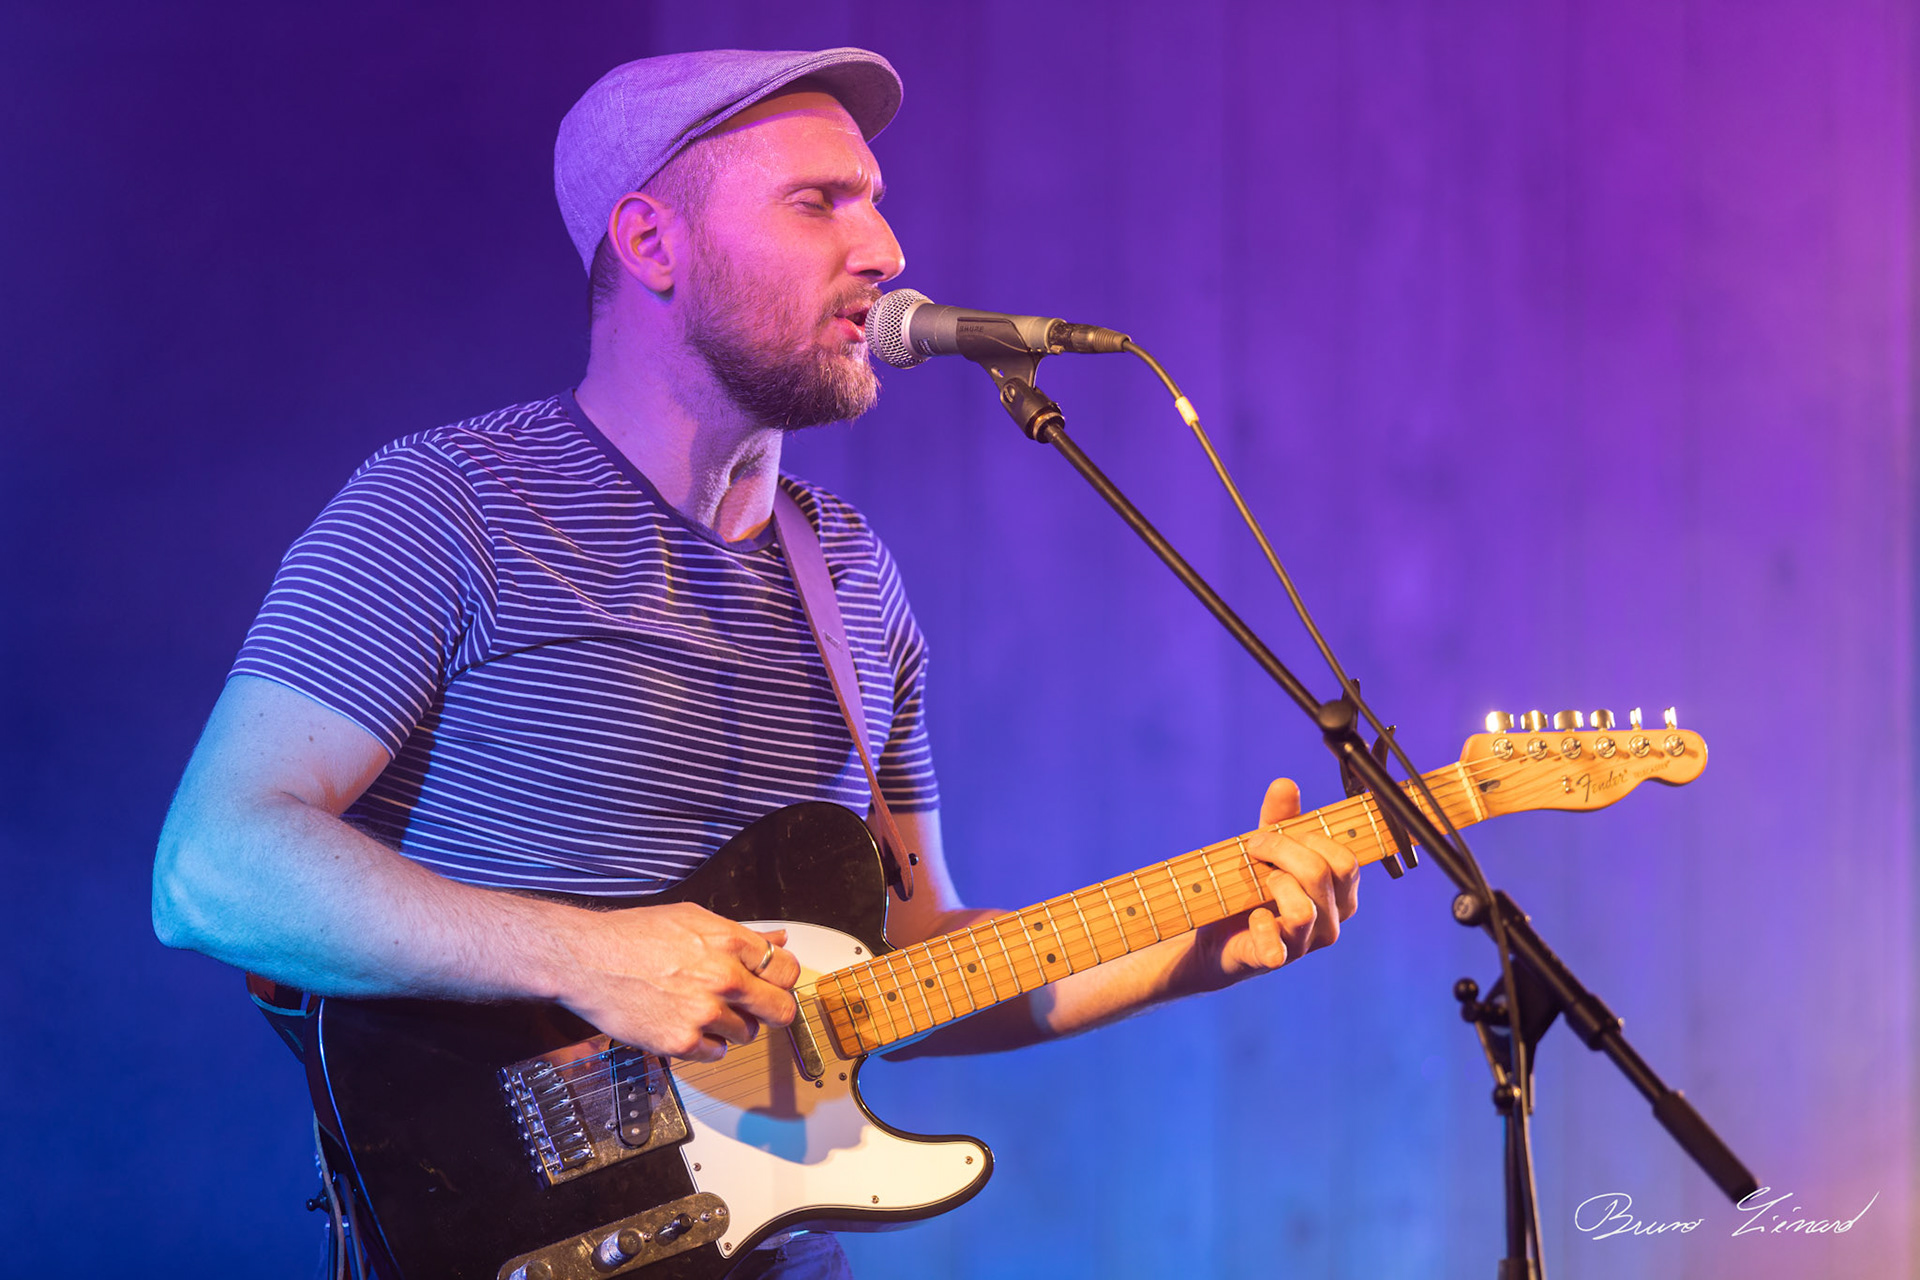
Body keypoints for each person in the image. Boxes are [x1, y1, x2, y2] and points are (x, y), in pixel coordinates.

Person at [151, 47, 1360, 1278]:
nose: (884, 249)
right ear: (652, 242)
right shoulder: (451, 505)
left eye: (875, 199)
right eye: (817, 202)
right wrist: (586, 955)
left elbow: (905, 957)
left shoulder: (853, 575)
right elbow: (211, 867)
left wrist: (1192, 945)